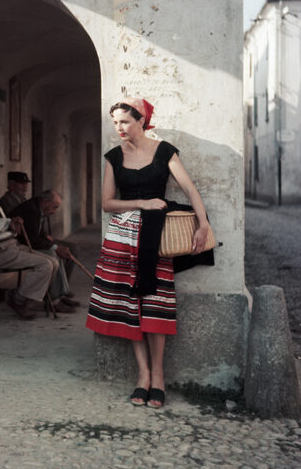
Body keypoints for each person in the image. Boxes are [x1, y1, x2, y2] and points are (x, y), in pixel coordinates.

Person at [85, 98, 213, 408]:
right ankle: (142, 375)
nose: (119, 128)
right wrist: (141, 203)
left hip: (156, 238)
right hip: (122, 236)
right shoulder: (114, 157)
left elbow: (189, 189)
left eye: (125, 121)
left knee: (156, 305)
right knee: (130, 306)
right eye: (115, 122)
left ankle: (159, 375)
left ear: (141, 120)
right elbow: (107, 203)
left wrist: (203, 224)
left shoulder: (164, 151)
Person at [0, 162, 56, 320]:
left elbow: (2, 223)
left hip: (10, 245)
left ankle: (25, 297)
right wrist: (9, 222)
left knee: (53, 261)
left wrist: (12, 223)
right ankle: (18, 298)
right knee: (45, 265)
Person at [11, 189, 81, 312]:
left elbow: (36, 230)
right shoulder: (31, 210)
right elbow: (32, 240)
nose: (55, 211)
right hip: (22, 245)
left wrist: (45, 235)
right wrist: (55, 247)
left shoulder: (39, 208)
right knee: (54, 253)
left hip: (34, 242)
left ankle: (61, 292)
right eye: (54, 207)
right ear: (44, 202)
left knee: (72, 249)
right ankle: (54, 300)